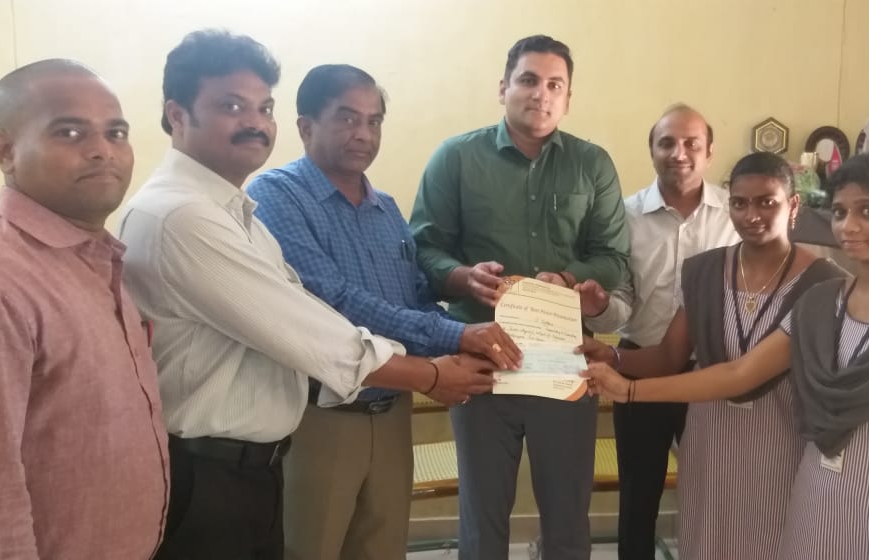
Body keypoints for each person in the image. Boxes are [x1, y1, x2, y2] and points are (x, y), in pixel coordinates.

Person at [118, 30, 495, 560]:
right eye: (232, 106)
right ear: (177, 115)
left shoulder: (242, 212)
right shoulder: (190, 215)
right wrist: (438, 365)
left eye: (263, 107)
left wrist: (461, 315)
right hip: (227, 461)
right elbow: (320, 314)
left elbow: (396, 297)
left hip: (310, 435)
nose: (255, 122)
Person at [584, 150, 869, 560]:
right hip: (816, 498)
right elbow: (739, 374)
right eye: (840, 211)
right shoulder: (822, 302)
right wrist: (627, 387)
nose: (849, 225)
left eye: (868, 211)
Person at [247, 64, 521, 560]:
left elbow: (412, 297)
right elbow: (334, 301)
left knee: (383, 548)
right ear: (306, 126)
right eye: (347, 118)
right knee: (311, 548)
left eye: (374, 121)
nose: (364, 133)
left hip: (394, 408)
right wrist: (458, 336)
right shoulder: (275, 196)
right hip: (322, 416)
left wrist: (487, 338)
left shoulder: (386, 208)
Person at [410, 34, 630, 560]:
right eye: (528, 80)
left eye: (555, 84)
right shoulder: (456, 158)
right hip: (482, 359)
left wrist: (568, 279)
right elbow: (423, 248)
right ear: (503, 87)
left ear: (568, 98)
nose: (540, 94)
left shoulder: (592, 164)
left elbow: (614, 256)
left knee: (567, 517)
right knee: (483, 517)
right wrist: (463, 277)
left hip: (565, 362)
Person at [581, 152, 845, 557]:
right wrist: (612, 357)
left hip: (783, 436)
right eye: (739, 203)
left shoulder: (825, 282)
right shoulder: (704, 272)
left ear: (793, 205)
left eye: (767, 202)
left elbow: (758, 374)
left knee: (775, 538)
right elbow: (669, 357)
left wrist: (628, 389)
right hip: (710, 434)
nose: (751, 215)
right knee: (708, 537)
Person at [0, 59, 169, 559]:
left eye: (116, 133)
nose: (102, 150)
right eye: (69, 132)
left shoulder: (97, 260)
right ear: (5, 151)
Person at [578, 104, 740, 560]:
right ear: (651, 150)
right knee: (638, 495)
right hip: (637, 364)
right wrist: (600, 307)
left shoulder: (735, 214)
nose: (679, 153)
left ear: (709, 152)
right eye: (667, 143)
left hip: (712, 372)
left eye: (692, 144)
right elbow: (620, 306)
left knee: (714, 492)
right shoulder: (624, 217)